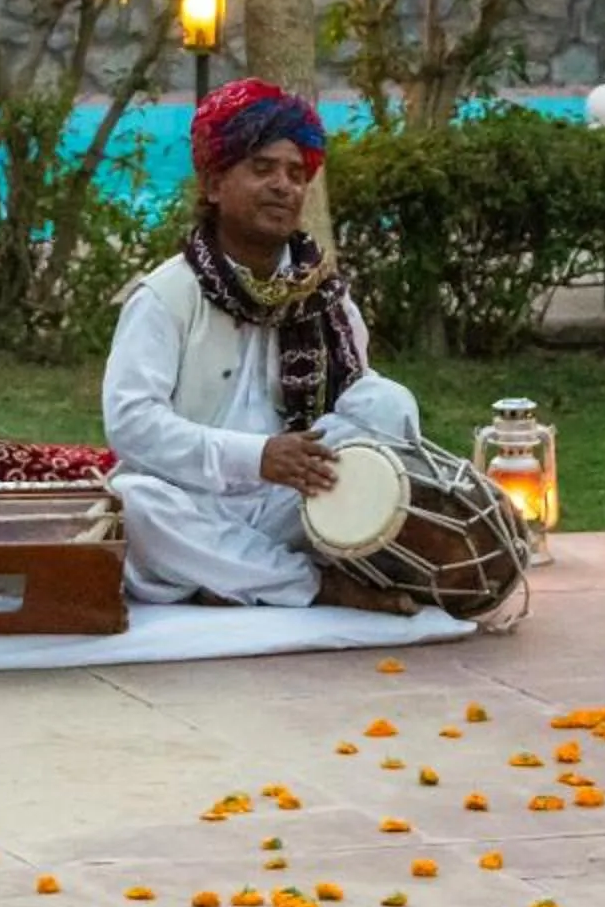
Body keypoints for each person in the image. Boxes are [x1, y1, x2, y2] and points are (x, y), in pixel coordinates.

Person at [101, 79, 424, 612]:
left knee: (387, 404)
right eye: (262, 168)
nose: (284, 186)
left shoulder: (325, 299)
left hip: (293, 503)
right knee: (135, 504)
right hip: (191, 503)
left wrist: (297, 468)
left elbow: (356, 413)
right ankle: (316, 583)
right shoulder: (165, 296)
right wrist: (256, 457)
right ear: (212, 185)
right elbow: (131, 424)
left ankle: (240, 573)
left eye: (296, 175)